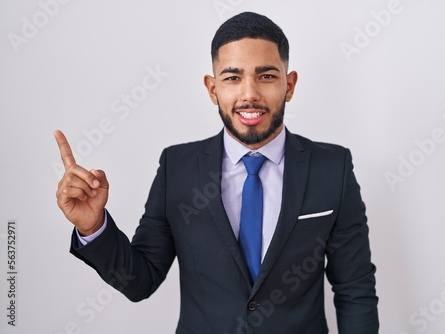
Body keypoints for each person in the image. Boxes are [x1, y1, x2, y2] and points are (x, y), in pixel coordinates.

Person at [55, 11, 379, 334]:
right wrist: (93, 225)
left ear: (289, 85)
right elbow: (140, 282)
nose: (249, 93)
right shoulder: (176, 168)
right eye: (232, 77)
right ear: (212, 89)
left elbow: (355, 290)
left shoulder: (332, 168)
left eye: (266, 76)